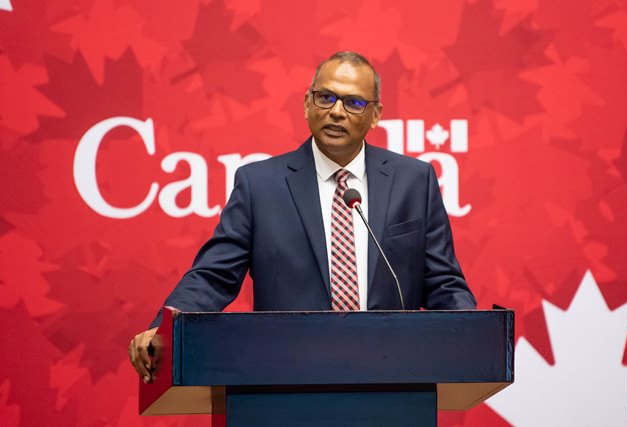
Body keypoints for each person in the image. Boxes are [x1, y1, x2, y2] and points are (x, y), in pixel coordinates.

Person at [129, 52, 476, 383]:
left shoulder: (414, 181)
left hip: (392, 376)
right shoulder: (259, 185)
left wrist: (474, 335)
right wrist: (165, 330)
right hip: (287, 378)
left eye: (354, 103)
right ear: (307, 104)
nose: (336, 112)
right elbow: (213, 276)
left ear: (375, 115)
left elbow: (443, 282)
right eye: (326, 97)